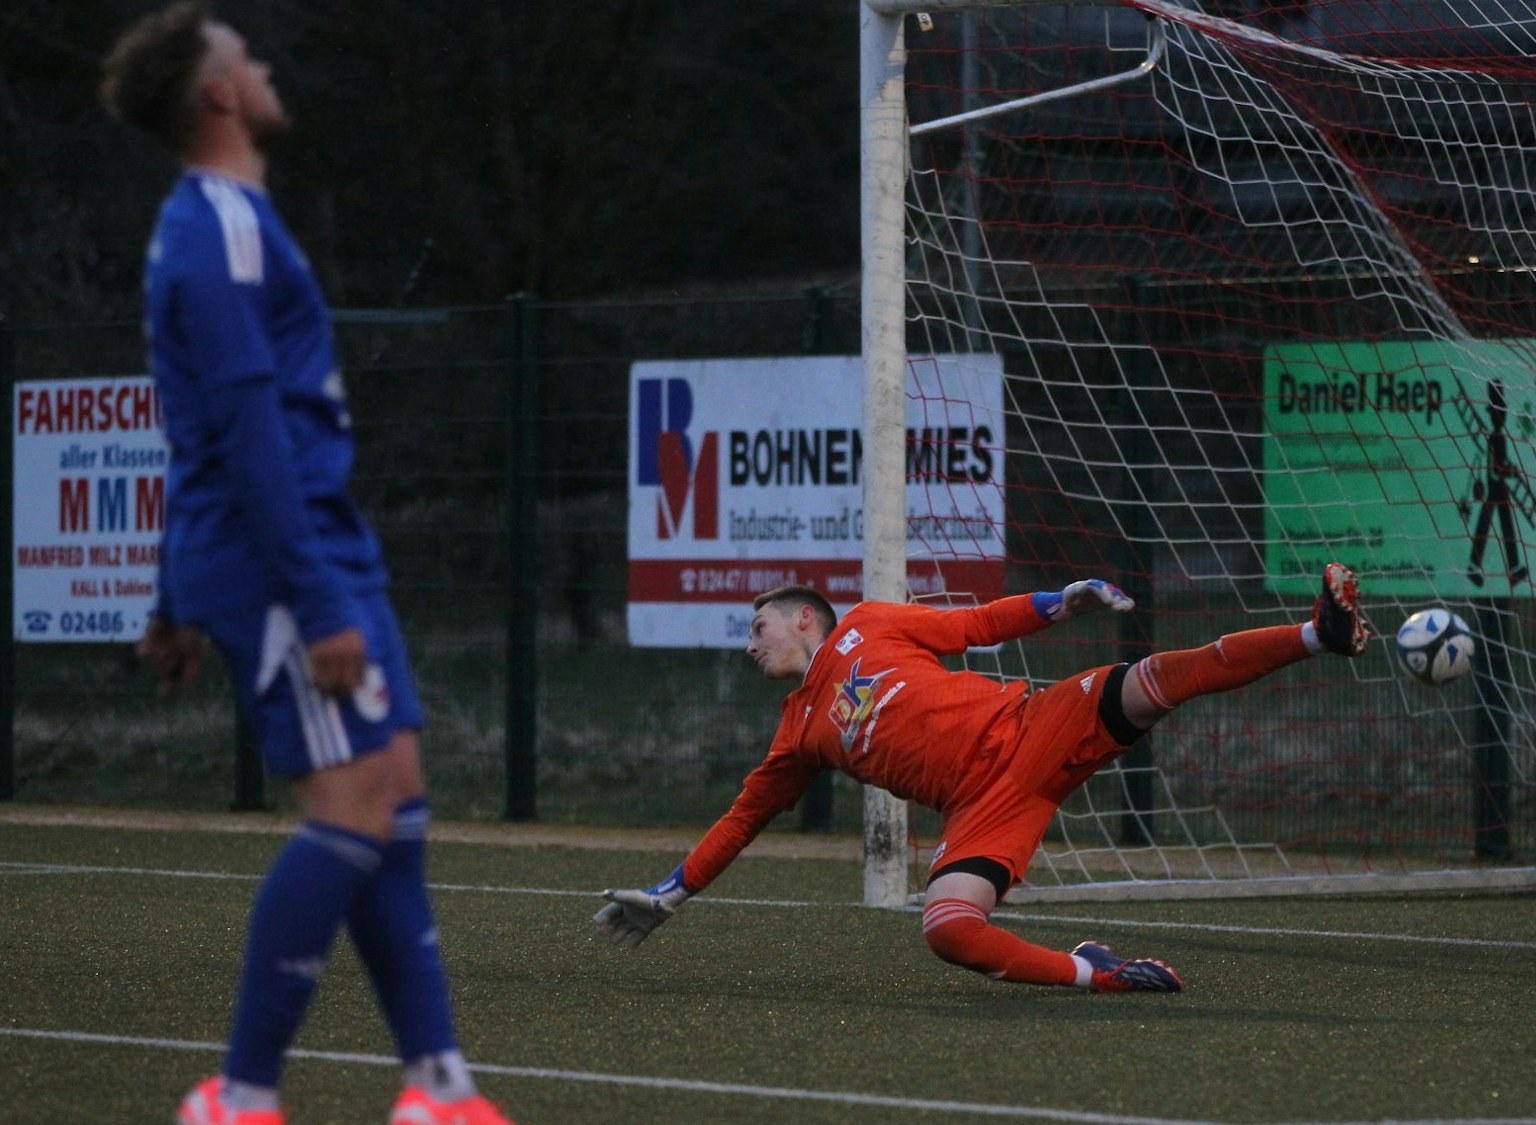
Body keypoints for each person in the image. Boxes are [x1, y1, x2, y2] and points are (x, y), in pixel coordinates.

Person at [99, 6, 514, 1123]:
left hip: (313, 546)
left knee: (398, 799)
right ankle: (237, 1098)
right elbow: (242, 432)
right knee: (353, 798)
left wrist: (170, 598)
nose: (267, 66)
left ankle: (438, 1088)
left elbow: (204, 427)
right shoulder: (215, 229)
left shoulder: (232, 221)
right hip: (288, 562)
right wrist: (310, 594)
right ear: (218, 93)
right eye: (247, 55)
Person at [593, 563, 1375, 992]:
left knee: (1158, 677)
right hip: (984, 805)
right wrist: (668, 897)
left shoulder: (868, 623)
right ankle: (1095, 972)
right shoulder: (795, 734)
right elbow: (740, 819)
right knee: (947, 930)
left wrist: (1058, 603)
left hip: (1031, 726)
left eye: (756, 627)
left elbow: (974, 627)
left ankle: (1318, 632)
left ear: (805, 618)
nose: (749, 644)